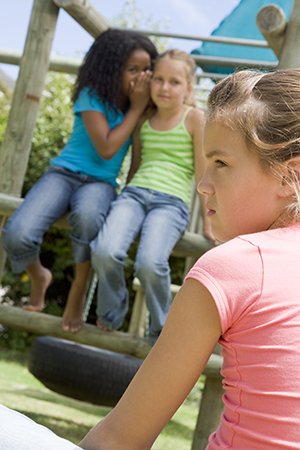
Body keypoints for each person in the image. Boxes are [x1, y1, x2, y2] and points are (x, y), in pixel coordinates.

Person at [3, 67, 300, 450]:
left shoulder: (237, 265)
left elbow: (119, 441)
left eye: (221, 164)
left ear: (287, 177)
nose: (203, 184)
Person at [2, 28, 158, 333]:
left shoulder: (141, 110)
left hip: (100, 184)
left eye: (146, 70)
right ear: (112, 69)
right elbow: (107, 146)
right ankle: (39, 277)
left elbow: (135, 155)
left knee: (88, 218)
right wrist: (137, 108)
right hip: (63, 174)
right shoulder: (93, 95)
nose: (141, 77)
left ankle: (80, 284)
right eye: (133, 70)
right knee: (17, 235)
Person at [91, 49, 210, 343]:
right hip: (133, 196)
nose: (164, 88)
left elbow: (203, 174)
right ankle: (111, 314)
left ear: (188, 88)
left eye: (174, 82)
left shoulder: (195, 118)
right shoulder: (143, 119)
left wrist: (210, 218)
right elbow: (135, 166)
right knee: (104, 250)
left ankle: (162, 329)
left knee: (149, 263)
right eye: (158, 79)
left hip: (171, 204)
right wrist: (122, 204)